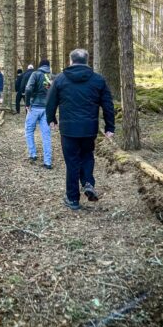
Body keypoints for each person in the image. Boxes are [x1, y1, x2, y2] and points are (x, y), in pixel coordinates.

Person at [46, 48, 115, 210]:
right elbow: (108, 105)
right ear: (87, 61)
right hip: (89, 129)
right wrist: (110, 126)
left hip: (68, 129)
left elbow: (50, 102)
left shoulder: (60, 79)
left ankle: (73, 199)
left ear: (71, 61)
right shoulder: (98, 80)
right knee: (87, 156)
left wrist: (51, 119)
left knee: (72, 162)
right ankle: (88, 182)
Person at [25, 59, 53, 169]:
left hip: (35, 107)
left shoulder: (35, 74)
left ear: (40, 66)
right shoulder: (52, 77)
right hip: (47, 109)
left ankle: (32, 154)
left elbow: (28, 89)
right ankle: (48, 162)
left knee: (29, 130)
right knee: (46, 134)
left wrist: (27, 104)